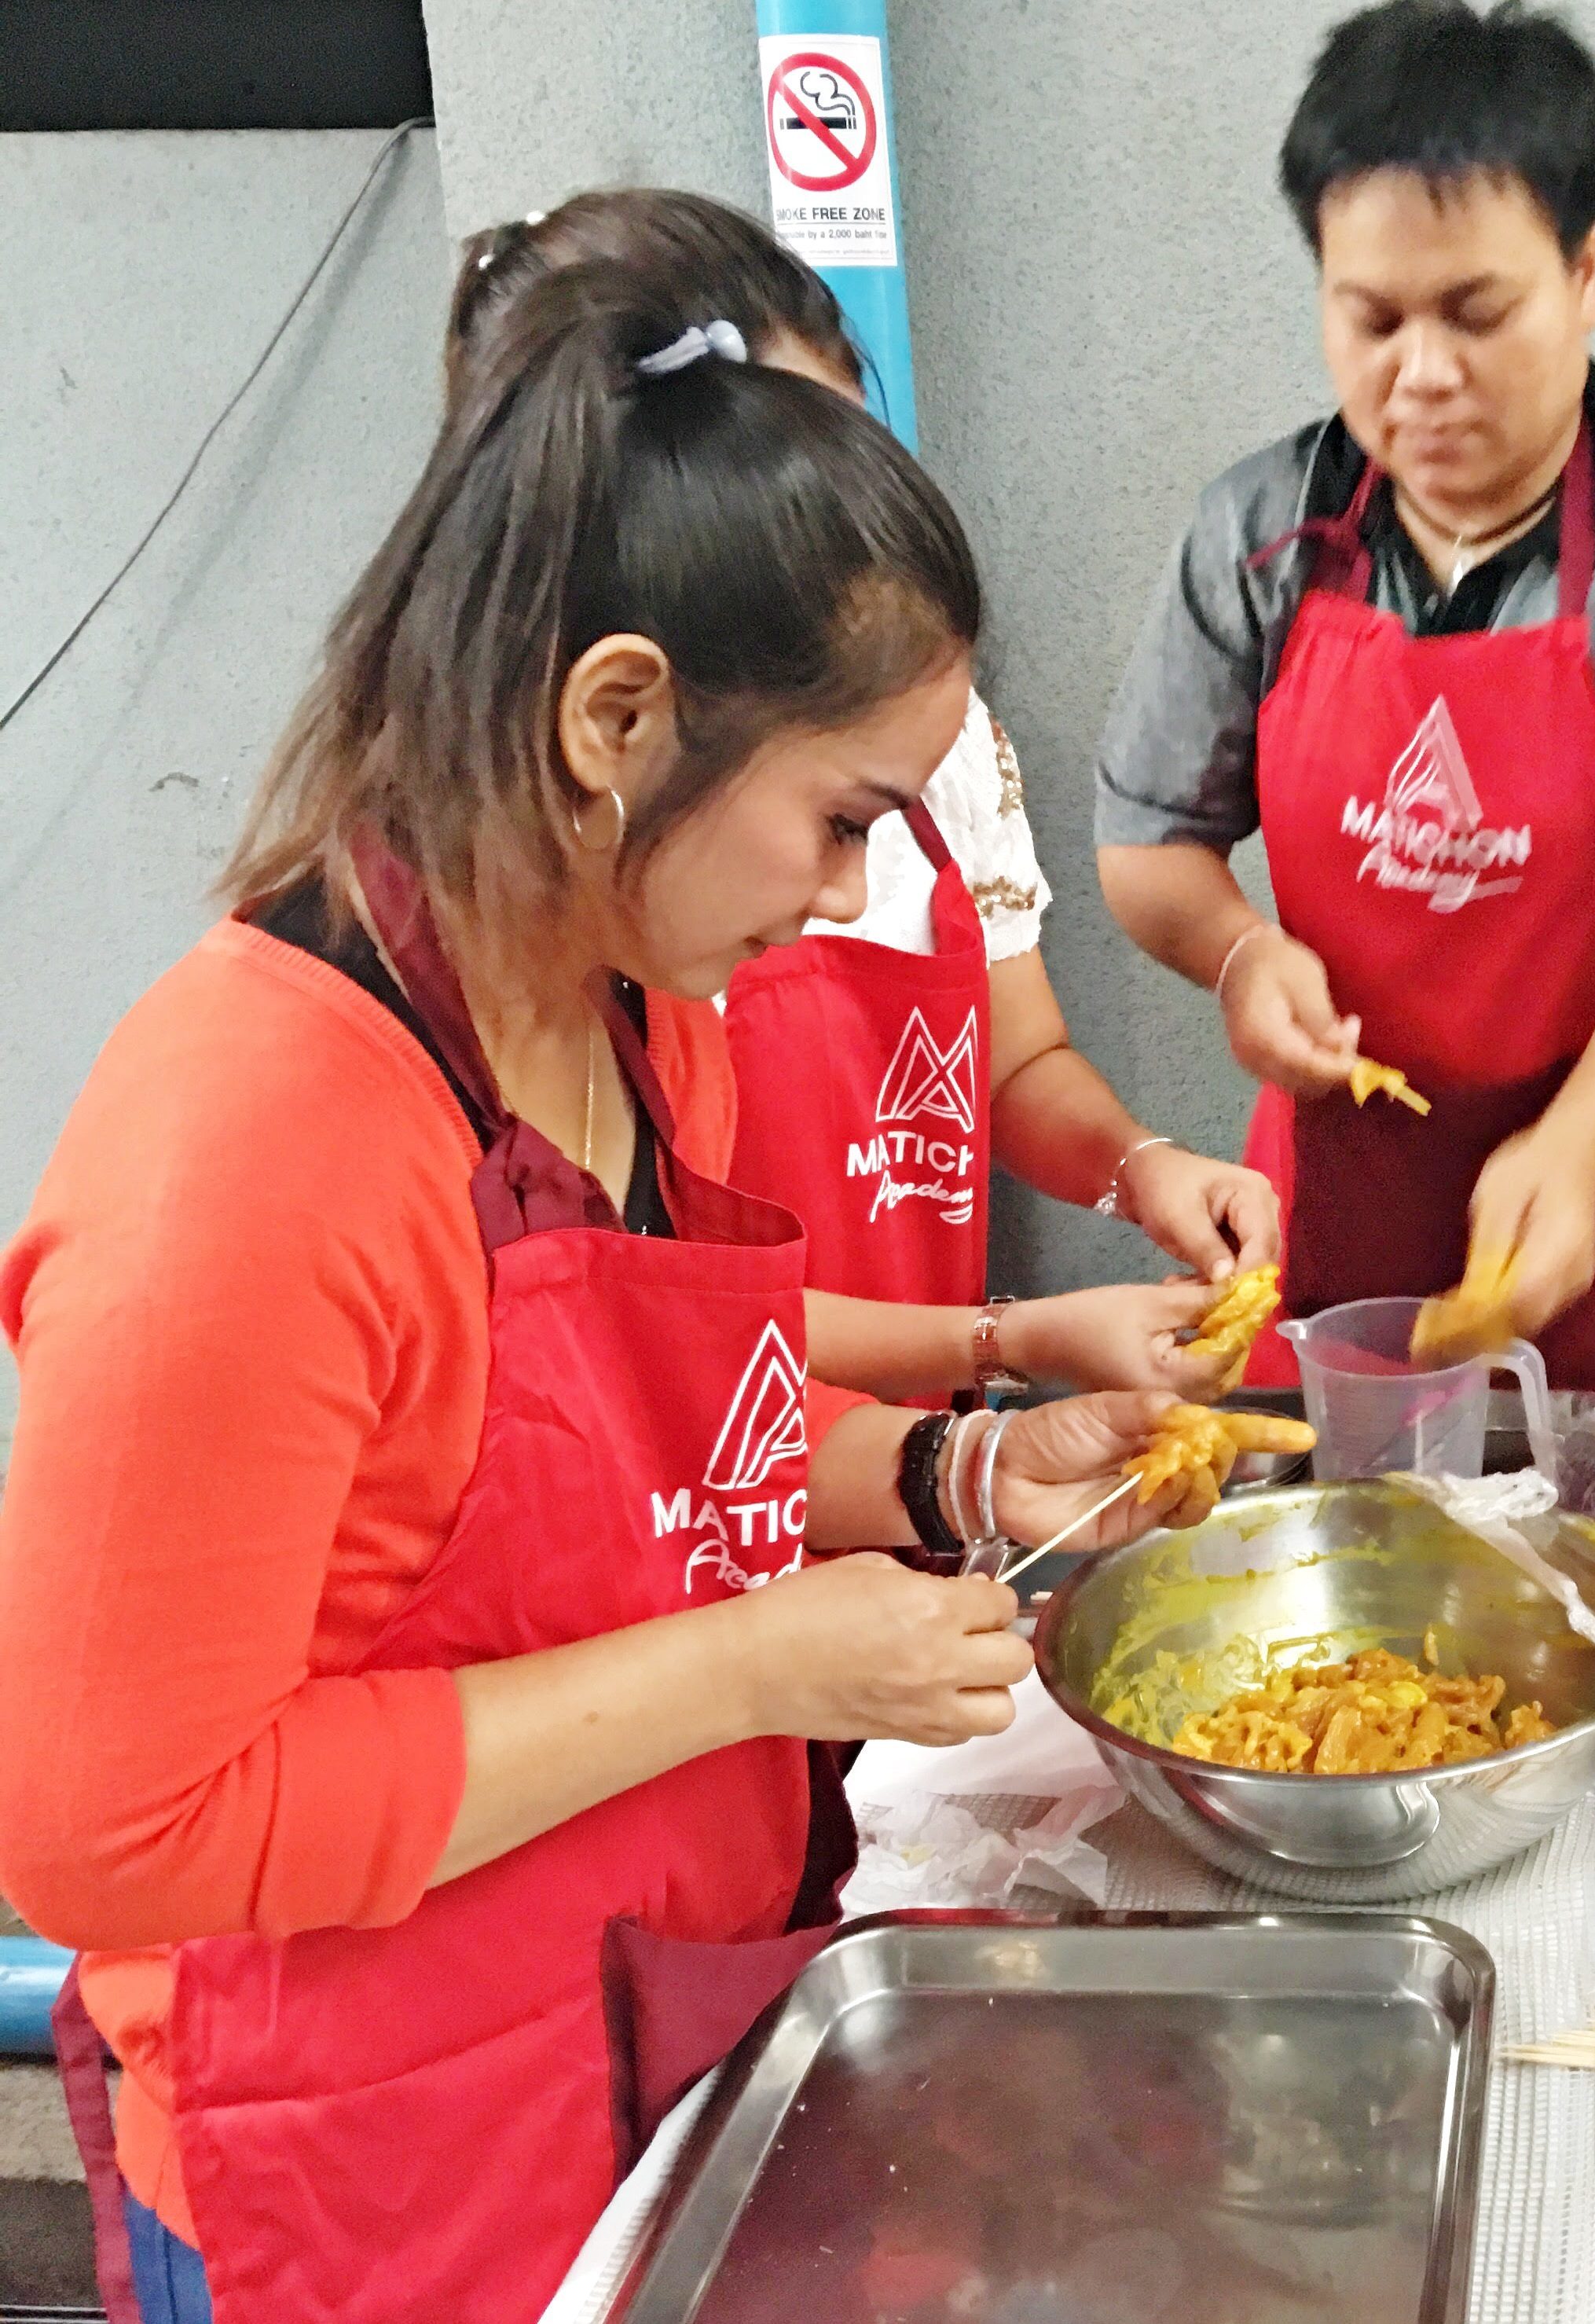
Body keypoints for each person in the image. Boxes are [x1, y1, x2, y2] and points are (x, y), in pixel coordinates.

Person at [0, 262, 1188, 2322]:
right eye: (839, 821)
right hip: (364, 2166)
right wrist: (751, 1670)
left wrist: (959, 1474)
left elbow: (643, 1464)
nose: (848, 895)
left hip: (640, 2046)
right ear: (614, 718)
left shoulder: (644, 1020)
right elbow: (117, 1829)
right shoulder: (251, 1153)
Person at [449, 193, 1279, 1409]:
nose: (843, 539)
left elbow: (1015, 1060)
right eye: (789, 489)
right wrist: (1013, 1344)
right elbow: (683, 1319)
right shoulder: (593, 932)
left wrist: (1140, 1170)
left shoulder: (931, 752)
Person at [1094, 0, 1595, 1392]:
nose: (1422, 375)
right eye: (1373, 319)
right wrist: (1238, 957)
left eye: (1477, 314)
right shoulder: (1263, 534)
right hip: (1347, 1196)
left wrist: (1579, 1143)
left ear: (1586, 272)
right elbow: (1147, 840)